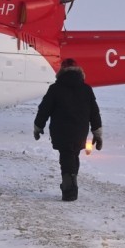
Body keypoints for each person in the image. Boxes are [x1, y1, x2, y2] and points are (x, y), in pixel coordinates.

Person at [33, 58, 103, 201]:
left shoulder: (55, 89)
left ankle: (69, 190)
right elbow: (94, 113)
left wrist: (38, 127)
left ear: (61, 71)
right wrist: (98, 134)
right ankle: (71, 184)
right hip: (79, 132)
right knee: (73, 156)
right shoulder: (86, 89)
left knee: (66, 158)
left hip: (61, 132)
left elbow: (44, 110)